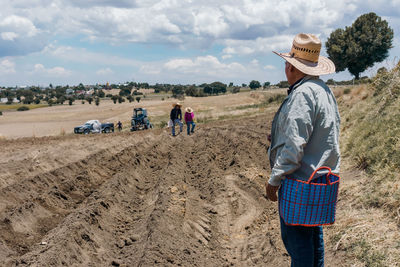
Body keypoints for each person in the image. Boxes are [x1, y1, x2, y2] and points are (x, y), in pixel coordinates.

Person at [265, 33, 340, 266]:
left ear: (292, 67)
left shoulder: (302, 94)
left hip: (300, 182)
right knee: (313, 239)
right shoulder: (321, 89)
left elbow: (295, 145)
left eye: (287, 63)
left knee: (298, 245)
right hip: (319, 178)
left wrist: (274, 180)